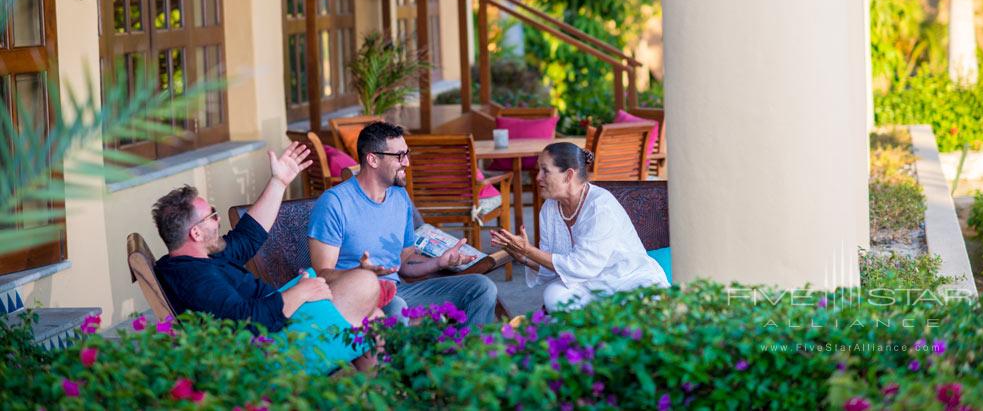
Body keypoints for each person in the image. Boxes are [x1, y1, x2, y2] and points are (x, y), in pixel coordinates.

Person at [153, 142, 380, 370]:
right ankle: (358, 373)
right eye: (212, 215)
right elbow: (245, 322)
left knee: (374, 315)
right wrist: (300, 292)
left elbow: (248, 236)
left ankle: (373, 393)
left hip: (276, 320)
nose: (218, 218)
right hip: (271, 347)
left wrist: (278, 182)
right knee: (365, 285)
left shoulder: (201, 257)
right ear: (196, 232)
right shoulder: (196, 277)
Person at [308, 121, 498, 325]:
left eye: (407, 153)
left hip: (397, 291)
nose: (406, 162)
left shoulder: (399, 197)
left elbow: (404, 264)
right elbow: (323, 275)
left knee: (482, 287)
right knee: (397, 306)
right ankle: (401, 357)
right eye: (399, 156)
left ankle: (470, 354)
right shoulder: (335, 203)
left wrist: (439, 262)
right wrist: (361, 276)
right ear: (372, 159)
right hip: (356, 299)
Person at [491, 142, 668, 311]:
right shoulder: (549, 209)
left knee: (645, 303)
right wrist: (525, 258)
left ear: (568, 175)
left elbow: (582, 266)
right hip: (589, 285)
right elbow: (558, 267)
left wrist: (529, 250)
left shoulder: (599, 207)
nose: (538, 177)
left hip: (626, 278)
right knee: (553, 294)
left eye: (545, 171)